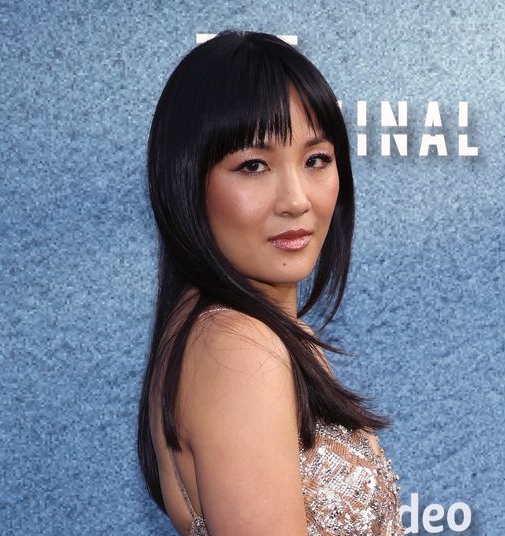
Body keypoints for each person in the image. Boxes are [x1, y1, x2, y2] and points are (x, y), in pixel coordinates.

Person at [137, 29, 404, 535]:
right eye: (254, 166)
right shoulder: (238, 348)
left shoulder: (250, 332)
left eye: (316, 159)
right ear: (187, 182)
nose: (296, 200)